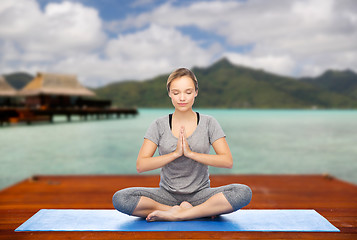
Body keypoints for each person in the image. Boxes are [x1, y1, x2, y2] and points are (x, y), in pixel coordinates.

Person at [112, 68, 252, 222]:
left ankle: (180, 214)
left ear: (196, 92)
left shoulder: (209, 123)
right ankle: (185, 211)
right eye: (176, 92)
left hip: (201, 195)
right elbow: (141, 165)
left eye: (188, 92)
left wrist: (191, 154)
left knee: (242, 192)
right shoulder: (158, 124)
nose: (182, 98)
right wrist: (176, 154)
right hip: (166, 196)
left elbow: (227, 161)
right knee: (121, 198)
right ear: (170, 94)